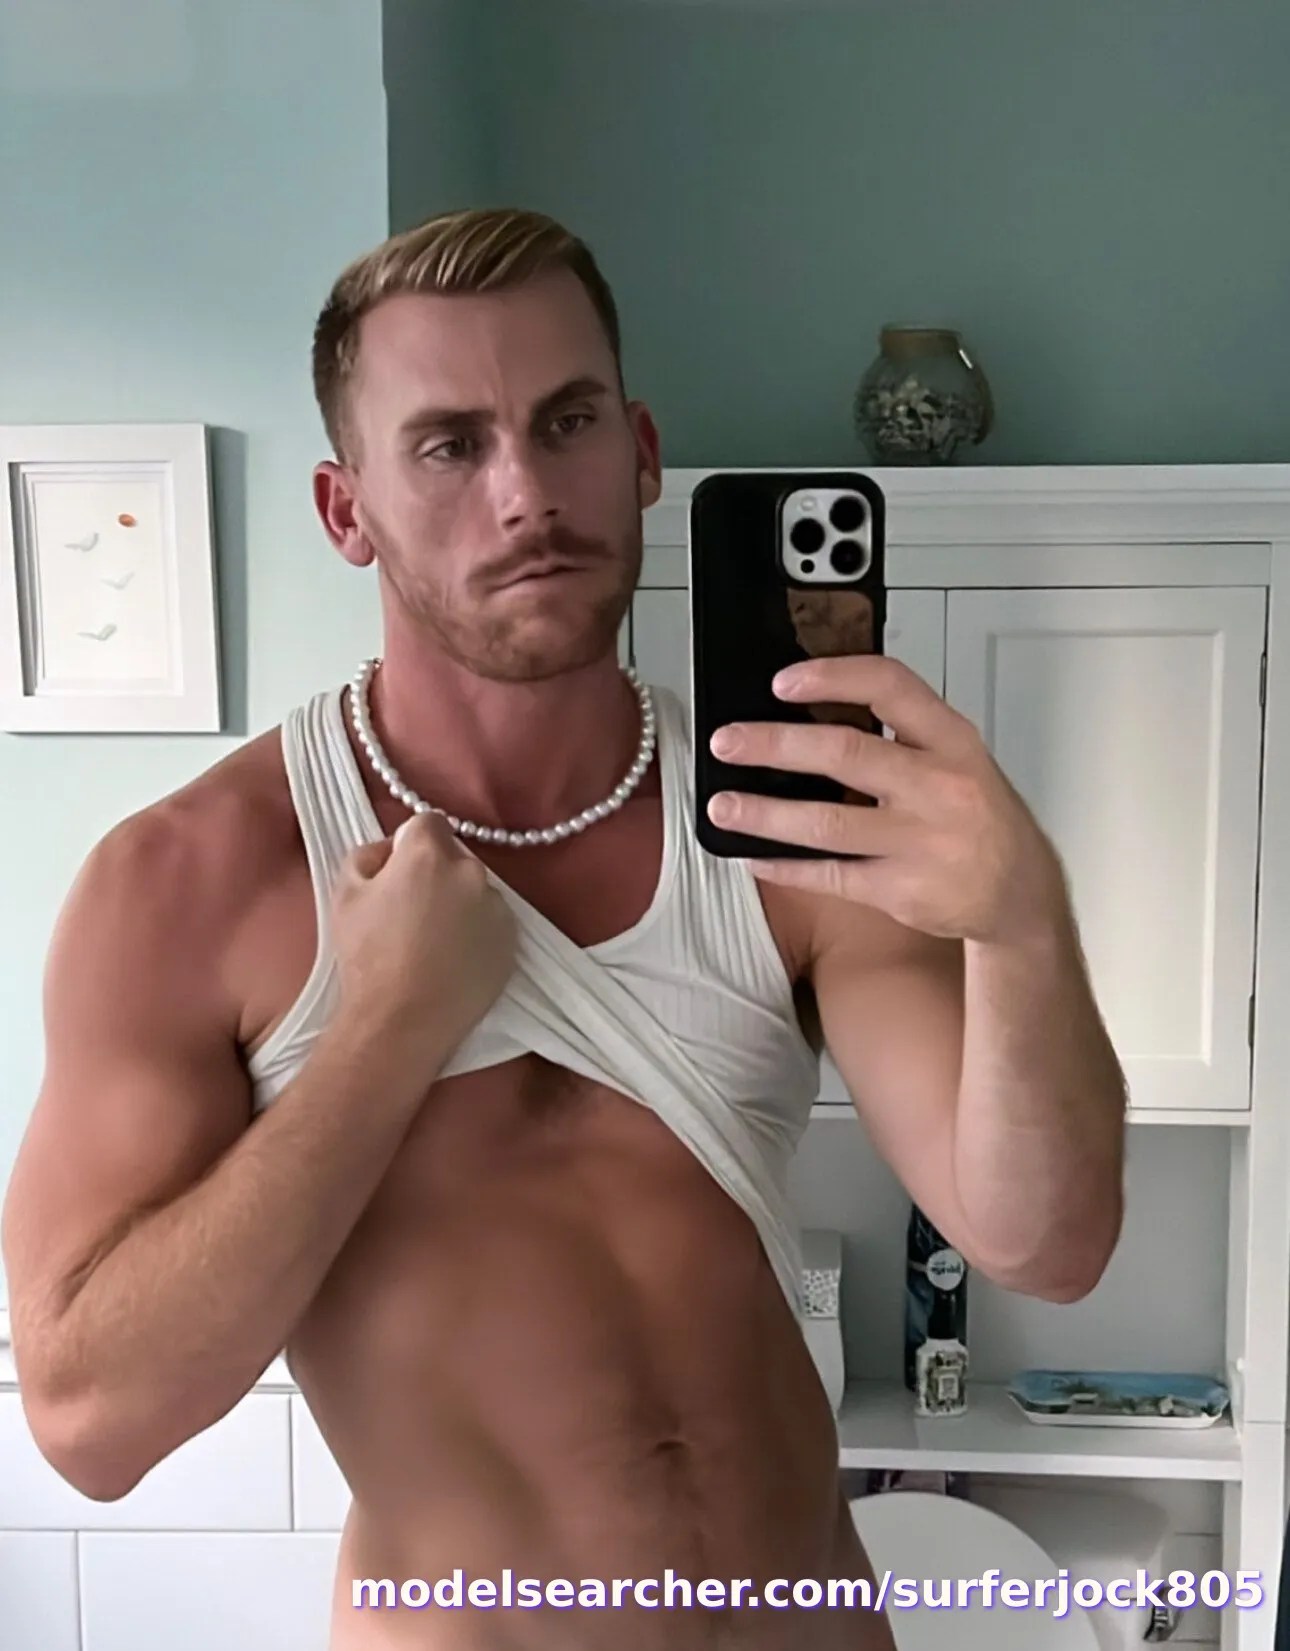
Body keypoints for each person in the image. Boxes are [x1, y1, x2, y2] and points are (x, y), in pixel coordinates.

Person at [0, 207, 1127, 1650]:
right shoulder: (192, 882)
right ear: (346, 511)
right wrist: (388, 1029)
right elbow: (92, 1424)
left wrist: (1020, 922)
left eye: (567, 420)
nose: (525, 491)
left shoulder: (782, 827)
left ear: (642, 452)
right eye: (448, 444)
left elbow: (1044, 1243)